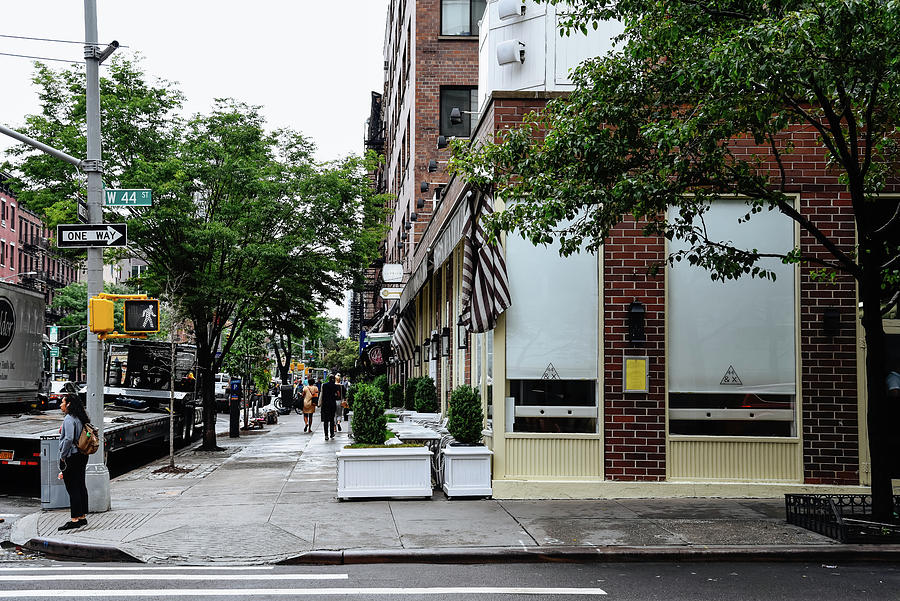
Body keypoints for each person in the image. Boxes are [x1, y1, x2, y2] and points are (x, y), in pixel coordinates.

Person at [57, 394, 89, 530]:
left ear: (69, 404)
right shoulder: (80, 417)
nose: (60, 405)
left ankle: (74, 519)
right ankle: (82, 517)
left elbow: (69, 439)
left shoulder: (69, 419)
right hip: (82, 455)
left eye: (62, 402)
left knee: (72, 487)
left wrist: (63, 456)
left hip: (72, 456)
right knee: (80, 484)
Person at [318, 374, 340, 440]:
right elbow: (338, 394)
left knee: (326, 420)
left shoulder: (324, 385)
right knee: (332, 419)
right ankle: (332, 433)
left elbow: (321, 394)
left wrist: (320, 403)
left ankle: (326, 435)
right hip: (332, 404)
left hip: (325, 404)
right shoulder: (335, 386)